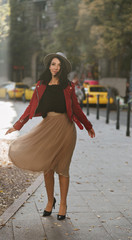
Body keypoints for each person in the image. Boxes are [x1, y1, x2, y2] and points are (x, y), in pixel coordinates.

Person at [5, 52, 95, 221]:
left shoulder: (68, 86)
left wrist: (88, 126)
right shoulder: (41, 85)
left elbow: (76, 108)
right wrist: (17, 125)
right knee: (48, 169)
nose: (56, 67)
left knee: (63, 168)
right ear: (49, 66)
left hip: (66, 130)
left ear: (63, 68)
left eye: (59, 65)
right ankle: (49, 201)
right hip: (47, 128)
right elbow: (30, 107)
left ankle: (63, 204)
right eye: (53, 64)